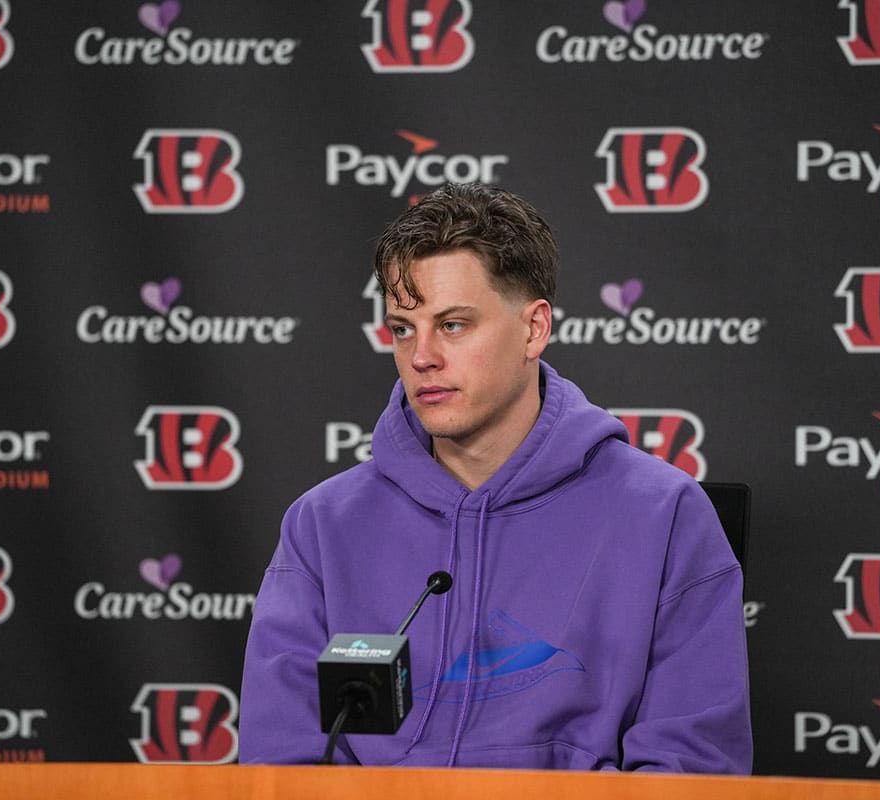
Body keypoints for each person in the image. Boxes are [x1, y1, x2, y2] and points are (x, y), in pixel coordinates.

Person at [239, 183, 752, 771]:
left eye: (453, 325)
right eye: (403, 328)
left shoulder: (665, 514)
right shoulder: (323, 524)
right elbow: (281, 762)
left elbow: (689, 768)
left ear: (534, 329)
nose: (422, 356)